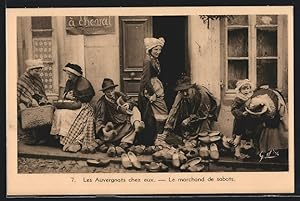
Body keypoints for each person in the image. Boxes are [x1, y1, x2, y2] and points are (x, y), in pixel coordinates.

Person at [156, 75, 220, 146]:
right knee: (182, 130)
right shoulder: (180, 94)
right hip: (192, 115)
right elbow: (174, 110)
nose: (185, 94)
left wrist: (189, 119)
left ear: (192, 88)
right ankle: (188, 141)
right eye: (182, 91)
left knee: (203, 135)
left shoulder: (203, 94)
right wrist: (166, 130)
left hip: (205, 115)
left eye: (186, 91)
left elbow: (202, 114)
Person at [50, 63, 98, 153]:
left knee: (66, 114)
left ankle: (68, 140)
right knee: (58, 112)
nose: (68, 76)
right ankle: (59, 138)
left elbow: (87, 97)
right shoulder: (69, 82)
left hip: (83, 106)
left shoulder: (83, 82)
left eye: (70, 74)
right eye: (67, 74)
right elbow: (65, 93)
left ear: (75, 74)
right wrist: (67, 95)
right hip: (72, 104)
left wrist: (75, 96)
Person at [95, 78, 145, 152]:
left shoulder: (119, 94)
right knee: (112, 131)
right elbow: (99, 119)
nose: (111, 93)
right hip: (115, 125)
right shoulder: (102, 103)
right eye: (108, 92)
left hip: (125, 119)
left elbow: (131, 100)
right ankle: (123, 142)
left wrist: (128, 104)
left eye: (112, 91)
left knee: (134, 109)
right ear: (104, 92)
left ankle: (137, 125)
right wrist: (103, 130)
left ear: (114, 89)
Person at [137, 37, 169, 145]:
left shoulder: (154, 59)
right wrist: (152, 94)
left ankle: (157, 139)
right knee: (155, 114)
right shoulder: (147, 60)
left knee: (157, 114)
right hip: (150, 89)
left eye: (159, 49)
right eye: (155, 50)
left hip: (156, 87)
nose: (158, 52)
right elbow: (145, 79)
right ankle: (152, 141)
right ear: (150, 49)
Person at [245, 85, 288, 162]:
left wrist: (264, 123)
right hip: (264, 100)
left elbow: (274, 120)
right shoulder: (252, 101)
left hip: (276, 106)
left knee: (275, 129)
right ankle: (259, 149)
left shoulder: (273, 108)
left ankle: (274, 148)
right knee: (259, 128)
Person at [17, 59, 50, 145]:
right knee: (31, 114)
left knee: (46, 111)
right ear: (30, 70)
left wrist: (42, 99)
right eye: (36, 70)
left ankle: (43, 137)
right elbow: (17, 96)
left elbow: (40, 92)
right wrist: (30, 101)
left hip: (37, 102)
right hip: (25, 104)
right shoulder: (22, 79)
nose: (38, 72)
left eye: (39, 70)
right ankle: (31, 138)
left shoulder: (37, 78)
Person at [230, 79, 257, 159]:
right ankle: (237, 152)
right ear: (240, 90)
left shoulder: (251, 97)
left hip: (248, 121)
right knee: (238, 136)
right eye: (244, 89)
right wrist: (241, 113)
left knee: (247, 136)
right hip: (239, 120)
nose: (246, 90)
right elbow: (233, 109)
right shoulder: (238, 98)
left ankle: (247, 152)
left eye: (248, 88)